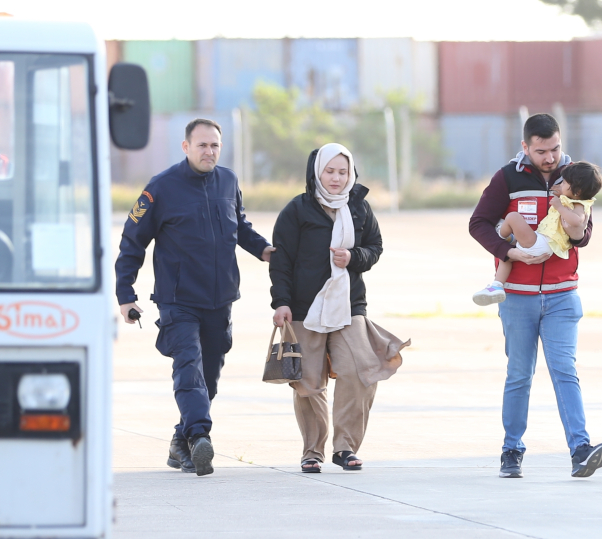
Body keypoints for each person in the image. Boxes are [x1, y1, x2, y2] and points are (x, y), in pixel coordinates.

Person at [115, 118, 273, 477]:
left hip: (220, 299)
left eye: (215, 145)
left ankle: (180, 440)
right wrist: (126, 294)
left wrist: (265, 250)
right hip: (178, 300)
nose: (209, 151)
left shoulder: (229, 181)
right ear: (186, 147)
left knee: (209, 377)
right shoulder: (161, 188)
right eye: (202, 145)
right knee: (188, 367)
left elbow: (240, 227)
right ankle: (200, 437)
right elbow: (132, 241)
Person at [469, 113, 602, 479]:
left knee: (565, 371)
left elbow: (585, 232)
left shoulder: (577, 175)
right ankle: (511, 450)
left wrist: (577, 231)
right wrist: (508, 252)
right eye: (541, 151)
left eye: (555, 149)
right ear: (525, 147)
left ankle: (581, 449)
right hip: (517, 297)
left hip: (563, 296)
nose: (550, 158)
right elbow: (478, 223)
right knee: (519, 374)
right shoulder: (507, 178)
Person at [269, 143, 409, 473]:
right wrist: (281, 302)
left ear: (351, 174)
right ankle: (312, 451)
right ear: (316, 172)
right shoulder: (297, 210)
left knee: (362, 371)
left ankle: (345, 447)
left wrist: (353, 257)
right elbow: (281, 260)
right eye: (329, 171)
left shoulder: (359, 208)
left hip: (349, 305)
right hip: (304, 308)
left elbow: (374, 247)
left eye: (342, 172)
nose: (336, 178)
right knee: (307, 381)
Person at [473, 161, 602, 306]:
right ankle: (497, 285)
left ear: (577, 191)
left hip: (543, 243)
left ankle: (501, 234)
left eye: (564, 183)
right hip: (542, 243)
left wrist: (559, 207)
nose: (560, 184)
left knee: (513, 218)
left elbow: (577, 220)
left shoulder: (580, 205)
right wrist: (562, 193)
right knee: (507, 256)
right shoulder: (572, 198)